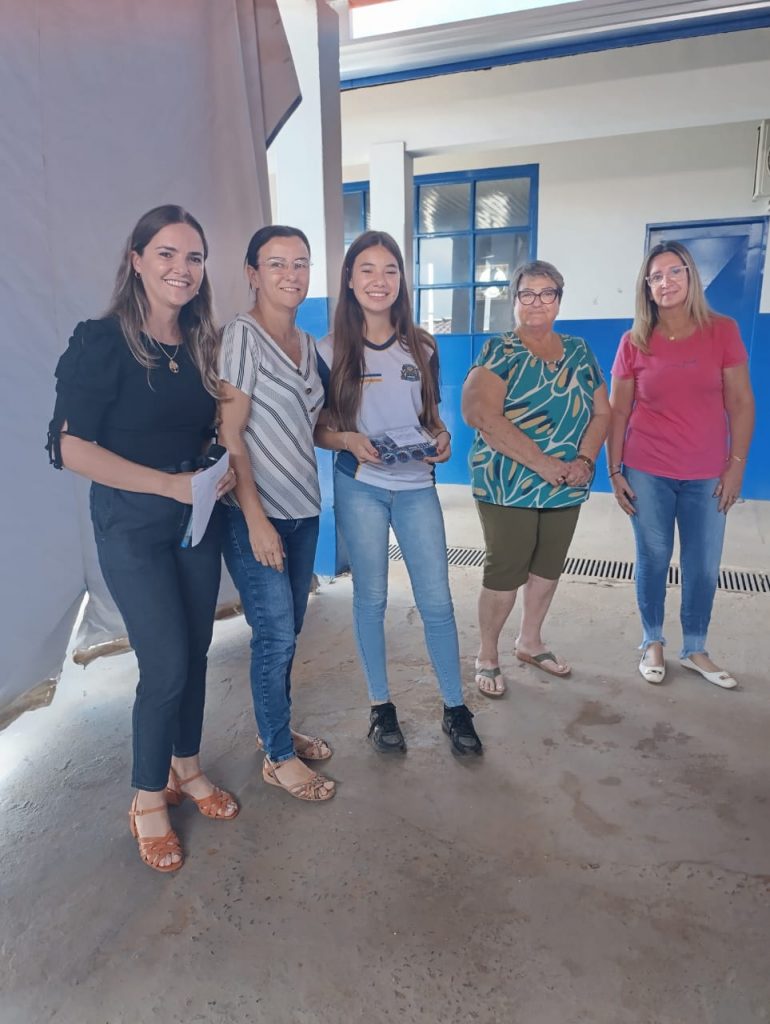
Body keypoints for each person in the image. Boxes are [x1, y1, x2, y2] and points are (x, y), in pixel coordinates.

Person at [46, 205, 239, 873]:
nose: (181, 270)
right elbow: (70, 449)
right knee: (165, 664)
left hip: (196, 520)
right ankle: (146, 795)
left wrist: (217, 463)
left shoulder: (201, 344)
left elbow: (212, 427)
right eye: (166, 254)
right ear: (135, 260)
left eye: (193, 257)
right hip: (132, 526)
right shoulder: (101, 342)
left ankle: (186, 765)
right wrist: (171, 486)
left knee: (197, 649)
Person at [314, 229, 482, 757]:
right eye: (366, 269)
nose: (378, 281)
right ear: (349, 278)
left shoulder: (422, 346)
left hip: (416, 489)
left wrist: (443, 437)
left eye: (389, 270)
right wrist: (348, 440)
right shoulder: (328, 349)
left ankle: (455, 708)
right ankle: (381, 708)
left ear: (402, 281)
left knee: (436, 600)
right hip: (361, 487)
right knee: (372, 598)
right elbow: (319, 430)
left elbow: (430, 419)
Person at [218, 225, 335, 801]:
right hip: (254, 514)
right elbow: (229, 432)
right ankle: (278, 756)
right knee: (274, 636)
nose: (291, 274)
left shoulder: (309, 346)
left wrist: (357, 441)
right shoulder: (240, 337)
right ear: (252, 272)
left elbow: (310, 427)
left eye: (301, 263)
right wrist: (255, 517)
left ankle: (277, 730)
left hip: (304, 509)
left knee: (288, 633)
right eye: (277, 263)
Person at [607, 241, 754, 688]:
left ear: (691, 278)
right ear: (647, 288)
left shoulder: (722, 331)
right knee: (653, 557)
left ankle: (695, 646)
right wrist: (613, 471)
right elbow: (618, 411)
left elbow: (742, 403)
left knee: (704, 563)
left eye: (674, 273)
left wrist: (736, 466)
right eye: (656, 276)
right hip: (646, 469)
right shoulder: (633, 341)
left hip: (708, 471)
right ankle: (652, 640)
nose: (665, 282)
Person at [462, 259, 610, 695]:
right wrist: (544, 464)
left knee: (547, 568)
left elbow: (603, 411)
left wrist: (585, 460)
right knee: (505, 573)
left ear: (559, 301)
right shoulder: (500, 350)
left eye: (547, 293)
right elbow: (478, 413)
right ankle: (487, 653)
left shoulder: (580, 351)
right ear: (515, 301)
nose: (537, 302)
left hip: (567, 484)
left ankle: (530, 641)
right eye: (527, 294)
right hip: (508, 484)